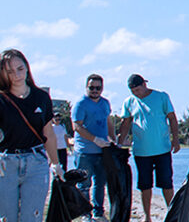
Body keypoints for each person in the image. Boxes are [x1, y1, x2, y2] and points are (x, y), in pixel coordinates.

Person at [0, 48, 65, 222]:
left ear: (27, 67)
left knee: (32, 217)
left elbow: (49, 134)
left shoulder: (41, 97)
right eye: (10, 71)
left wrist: (56, 163)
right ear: (2, 73)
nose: (17, 75)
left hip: (36, 163)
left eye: (20, 69)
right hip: (6, 162)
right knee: (5, 218)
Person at [117, 74, 180, 222]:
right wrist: (119, 143)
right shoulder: (129, 102)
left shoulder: (161, 97)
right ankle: (147, 216)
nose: (136, 93)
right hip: (141, 151)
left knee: (166, 183)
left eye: (138, 90)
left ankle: (173, 214)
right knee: (145, 185)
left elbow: (172, 118)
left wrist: (176, 139)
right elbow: (126, 123)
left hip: (162, 149)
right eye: (133, 91)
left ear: (144, 85)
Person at [72, 73, 115, 220]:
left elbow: (108, 122)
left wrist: (113, 139)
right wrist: (94, 139)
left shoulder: (105, 103)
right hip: (85, 151)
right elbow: (77, 126)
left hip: (102, 151)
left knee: (100, 183)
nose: (95, 90)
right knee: (84, 184)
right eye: (92, 88)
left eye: (98, 88)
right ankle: (85, 214)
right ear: (86, 87)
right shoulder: (81, 104)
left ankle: (98, 213)